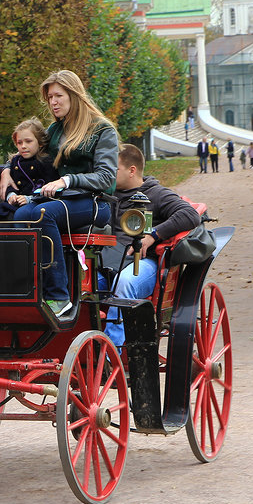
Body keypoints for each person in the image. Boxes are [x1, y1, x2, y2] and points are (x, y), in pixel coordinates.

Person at [10, 70, 117, 317]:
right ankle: (29, 289)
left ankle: (59, 297)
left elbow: (107, 179)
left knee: (42, 213)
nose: (53, 102)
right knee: (22, 213)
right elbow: (31, 157)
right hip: (62, 201)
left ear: (74, 95)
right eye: (49, 98)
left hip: (94, 203)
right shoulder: (54, 130)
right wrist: (7, 170)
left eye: (58, 95)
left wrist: (67, 180)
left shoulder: (102, 129)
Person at [103, 144, 202, 352]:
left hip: (144, 263)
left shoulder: (156, 194)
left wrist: (153, 235)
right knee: (77, 283)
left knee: (125, 282)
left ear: (132, 170)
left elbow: (190, 215)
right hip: (108, 260)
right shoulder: (105, 196)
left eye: (114, 168)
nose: (108, 173)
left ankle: (112, 355)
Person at [0, 118, 55, 210]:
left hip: (36, 203)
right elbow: (11, 183)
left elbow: (50, 189)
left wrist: (30, 199)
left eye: (28, 141)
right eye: (19, 143)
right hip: (14, 204)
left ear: (40, 143)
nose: (23, 146)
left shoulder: (46, 162)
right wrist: (11, 195)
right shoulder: (16, 162)